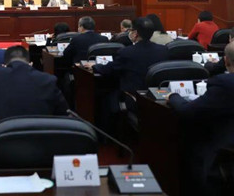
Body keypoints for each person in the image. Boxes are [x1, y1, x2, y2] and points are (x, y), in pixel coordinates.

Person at [166, 42, 234, 195]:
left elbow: (187, 111)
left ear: (226, 61)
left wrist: (174, 96)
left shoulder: (224, 83)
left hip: (225, 154)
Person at [0, 46, 68, 152]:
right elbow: (63, 113)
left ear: (4, 65)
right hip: (40, 148)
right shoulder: (48, 80)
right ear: (30, 64)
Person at [91, 17, 169, 95]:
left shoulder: (126, 52)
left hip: (132, 96)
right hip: (155, 96)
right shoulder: (164, 50)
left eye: (131, 30)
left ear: (135, 33)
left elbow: (109, 69)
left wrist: (95, 66)